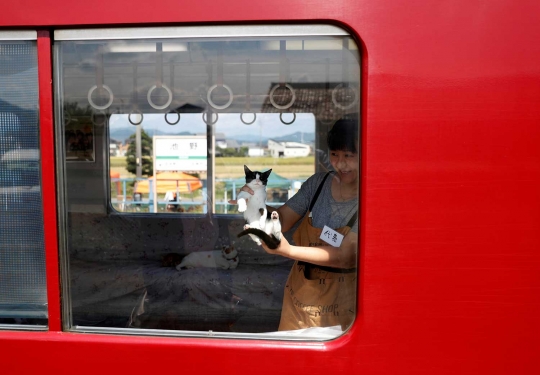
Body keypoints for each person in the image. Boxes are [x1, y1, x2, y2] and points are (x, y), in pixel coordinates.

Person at [231, 116, 359, 331]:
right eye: (334, 154)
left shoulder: (371, 195)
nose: (340, 163)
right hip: (300, 296)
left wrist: (287, 250)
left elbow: (346, 256)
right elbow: (282, 219)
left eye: (349, 155)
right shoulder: (318, 184)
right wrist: (256, 204)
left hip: (343, 302)